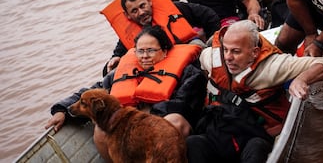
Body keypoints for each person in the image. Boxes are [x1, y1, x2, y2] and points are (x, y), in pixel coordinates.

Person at [45, 25, 207, 162]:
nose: (144, 56)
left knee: (173, 121)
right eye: (140, 51)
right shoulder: (124, 73)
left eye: (150, 50)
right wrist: (62, 110)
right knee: (101, 132)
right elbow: (93, 92)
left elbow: (185, 105)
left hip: (169, 132)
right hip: (134, 134)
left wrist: (144, 118)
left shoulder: (189, 73)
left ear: (165, 51)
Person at [187, 20, 323, 163]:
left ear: (254, 52)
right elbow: (202, 63)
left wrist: (301, 80)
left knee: (256, 147)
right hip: (220, 132)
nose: (228, 57)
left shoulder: (274, 66)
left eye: (236, 52)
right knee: (193, 143)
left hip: (254, 134)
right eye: (225, 49)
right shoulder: (210, 57)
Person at [104, 0, 220, 75]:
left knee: (198, 44)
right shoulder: (129, 35)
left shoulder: (175, 9)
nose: (141, 12)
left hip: (188, 56)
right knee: (113, 73)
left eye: (142, 6)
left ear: (149, 1)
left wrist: (213, 38)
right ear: (127, 15)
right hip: (161, 70)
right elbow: (117, 55)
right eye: (134, 11)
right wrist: (113, 60)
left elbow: (210, 16)